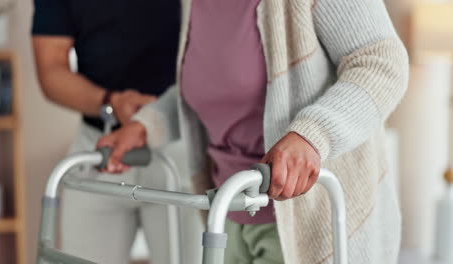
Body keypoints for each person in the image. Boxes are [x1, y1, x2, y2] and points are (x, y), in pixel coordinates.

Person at [98, 0, 409, 263]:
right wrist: (145, 125)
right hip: (229, 213)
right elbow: (215, 86)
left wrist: (313, 134)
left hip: (314, 220)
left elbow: (381, 62)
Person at [31, 0, 180, 263]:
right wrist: (111, 102)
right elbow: (51, 68)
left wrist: (150, 119)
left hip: (178, 144)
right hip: (100, 144)